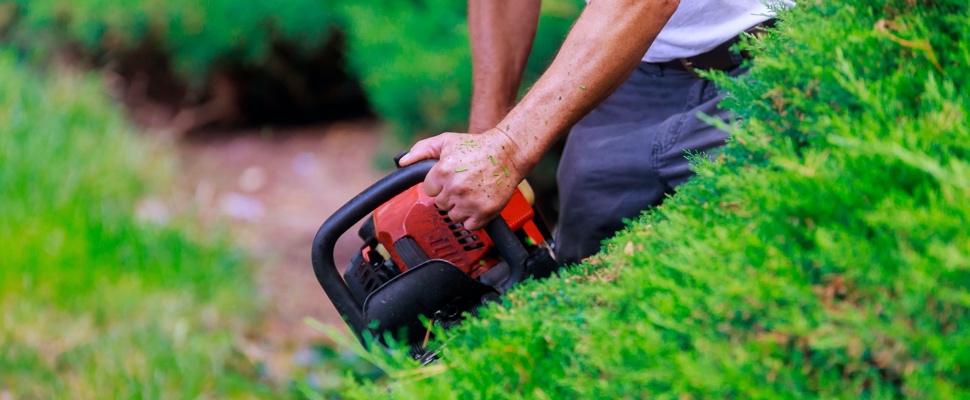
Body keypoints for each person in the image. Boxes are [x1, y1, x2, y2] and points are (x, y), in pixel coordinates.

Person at [398, 0, 790, 266]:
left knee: (757, 250)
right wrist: (481, 143)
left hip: (772, 56)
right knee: (581, 266)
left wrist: (507, 149)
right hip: (637, 66)